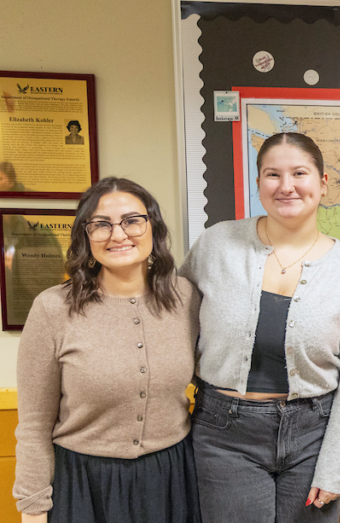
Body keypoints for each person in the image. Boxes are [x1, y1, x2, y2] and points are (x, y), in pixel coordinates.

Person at [179, 132, 340, 522]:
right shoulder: (216, 245)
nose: (286, 186)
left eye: (299, 173)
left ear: (322, 183)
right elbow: (175, 328)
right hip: (224, 435)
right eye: (272, 174)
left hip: (313, 436)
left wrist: (336, 464)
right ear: (258, 184)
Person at [13, 177, 201, 522]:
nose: (118, 234)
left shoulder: (186, 297)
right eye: (101, 225)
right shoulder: (53, 309)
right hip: (85, 486)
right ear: (86, 237)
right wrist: (33, 508)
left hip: (172, 481)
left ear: (153, 227)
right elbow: (34, 424)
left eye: (132, 220)